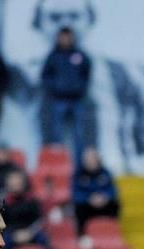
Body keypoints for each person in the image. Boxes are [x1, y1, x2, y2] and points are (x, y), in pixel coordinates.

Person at [40, 26, 93, 157]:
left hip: (77, 99)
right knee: (57, 136)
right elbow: (45, 75)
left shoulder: (80, 55)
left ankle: (80, 167)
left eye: (68, 36)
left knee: (79, 135)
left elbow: (87, 73)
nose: (65, 40)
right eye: (62, 37)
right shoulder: (53, 56)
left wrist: (80, 87)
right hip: (58, 100)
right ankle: (59, 167)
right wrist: (55, 87)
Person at [0, 170, 53, 249]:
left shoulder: (32, 200)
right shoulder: (3, 202)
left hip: (31, 232)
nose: (16, 185)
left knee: (44, 240)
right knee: (4, 242)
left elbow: (40, 221)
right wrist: (15, 235)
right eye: (13, 183)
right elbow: (1, 224)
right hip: (13, 233)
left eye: (18, 183)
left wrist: (30, 233)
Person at [72, 147, 120, 235]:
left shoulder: (105, 173)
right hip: (87, 206)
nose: (91, 161)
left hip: (103, 205)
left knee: (115, 204)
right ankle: (82, 235)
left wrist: (104, 197)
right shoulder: (78, 174)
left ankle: (112, 231)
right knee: (78, 208)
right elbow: (75, 194)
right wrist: (89, 199)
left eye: (93, 158)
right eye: (88, 159)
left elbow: (113, 191)